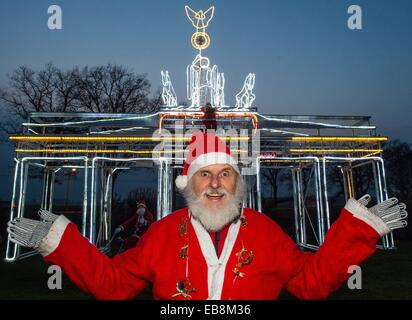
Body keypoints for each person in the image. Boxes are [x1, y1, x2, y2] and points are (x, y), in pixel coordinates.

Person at [7, 132, 408, 300]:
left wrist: (357, 232)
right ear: (189, 184)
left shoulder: (266, 232)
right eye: (205, 175)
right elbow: (115, 284)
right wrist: (61, 242)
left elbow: (311, 283)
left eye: (225, 174)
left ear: (237, 183)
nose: (215, 184)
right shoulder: (163, 234)